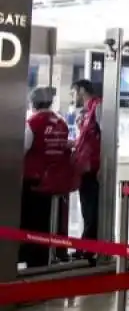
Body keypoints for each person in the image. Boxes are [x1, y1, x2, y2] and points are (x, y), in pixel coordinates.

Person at [21, 87, 72, 267]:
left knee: (30, 221)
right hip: (55, 179)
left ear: (33, 103)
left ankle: (30, 257)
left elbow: (21, 150)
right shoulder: (61, 122)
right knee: (45, 222)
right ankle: (44, 257)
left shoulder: (32, 123)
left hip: (33, 181)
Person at [71, 79, 102, 250]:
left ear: (82, 90)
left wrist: (104, 166)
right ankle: (87, 246)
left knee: (91, 209)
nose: (73, 96)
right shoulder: (87, 112)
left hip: (94, 169)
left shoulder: (98, 108)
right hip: (86, 168)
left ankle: (89, 248)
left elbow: (108, 138)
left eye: (74, 92)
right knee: (87, 208)